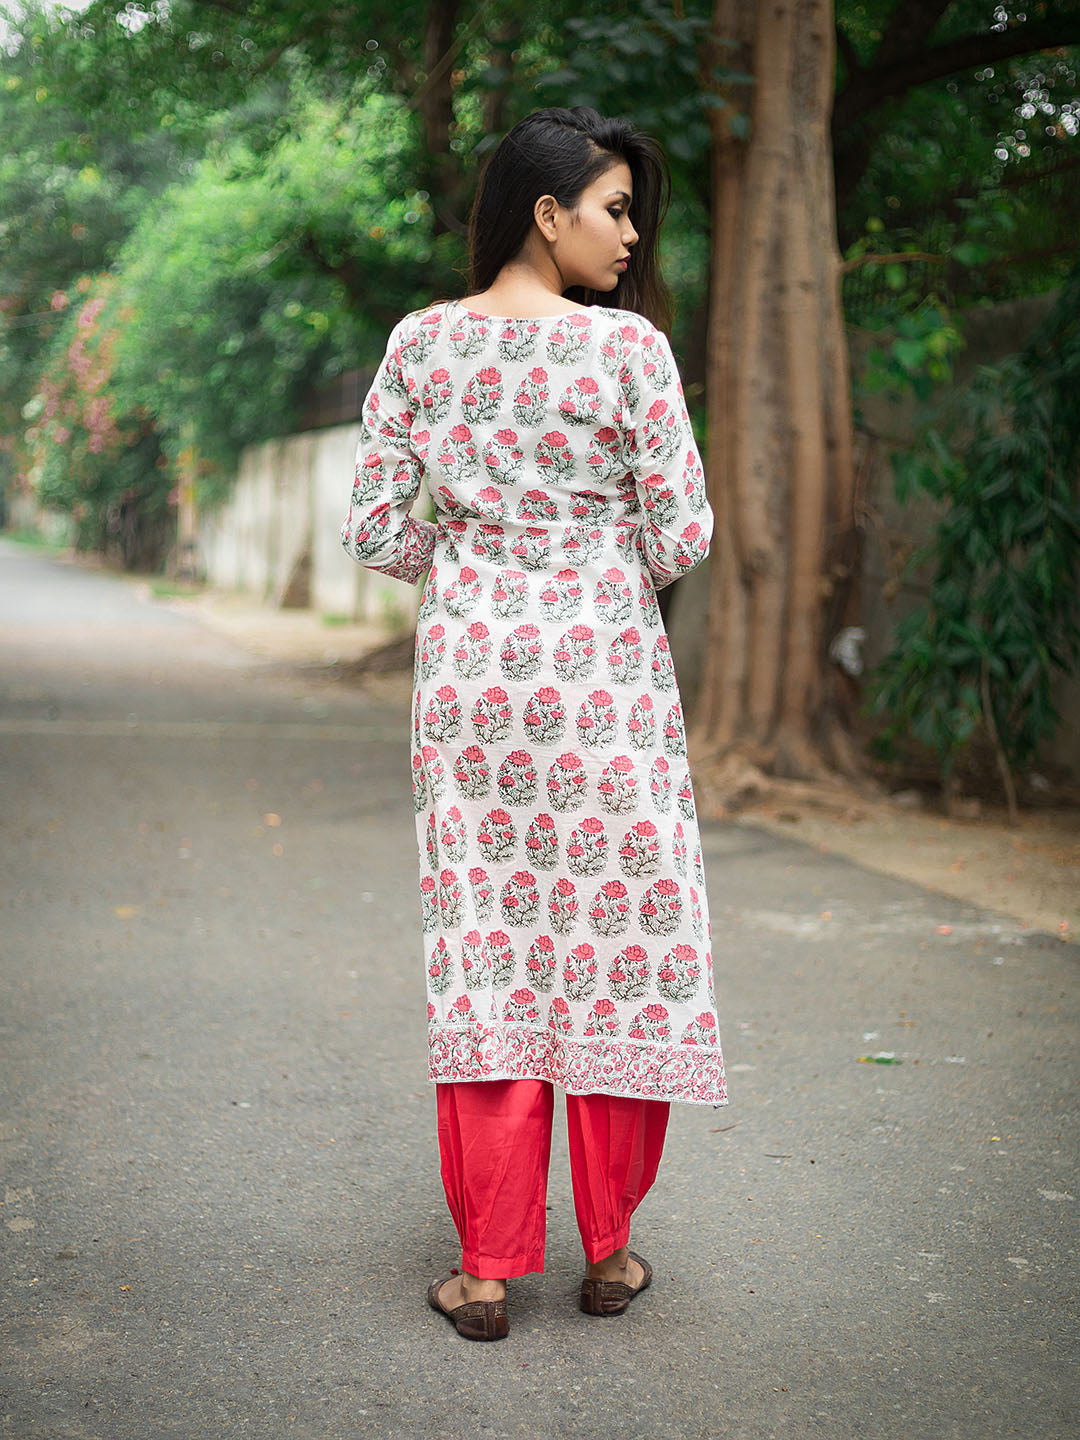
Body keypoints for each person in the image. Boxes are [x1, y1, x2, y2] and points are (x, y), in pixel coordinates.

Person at [341, 105, 727, 1342]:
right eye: (616, 209)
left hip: (473, 689)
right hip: (605, 683)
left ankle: (489, 1266)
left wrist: (481, 568)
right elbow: (683, 535)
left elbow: (379, 529)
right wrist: (585, 567)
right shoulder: (630, 356)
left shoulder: (420, 344)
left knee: (495, 950)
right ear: (549, 212)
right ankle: (609, 1252)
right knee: (615, 949)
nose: (631, 236)